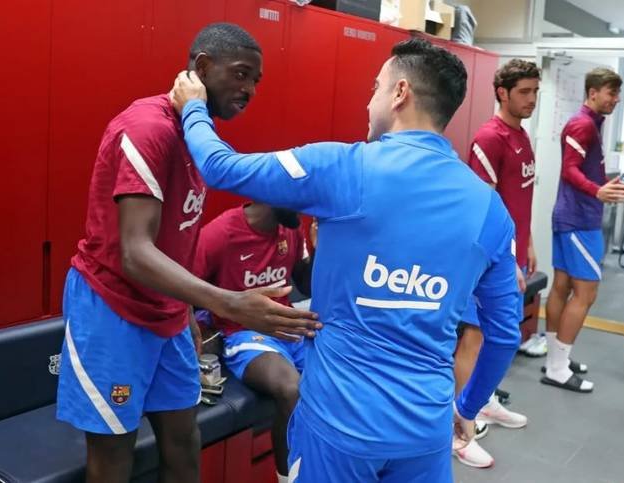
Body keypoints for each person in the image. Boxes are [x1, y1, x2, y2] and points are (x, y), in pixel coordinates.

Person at [172, 37, 522, 483]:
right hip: (426, 432)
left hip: (339, 429)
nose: (368, 102)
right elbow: (503, 334)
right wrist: (467, 407)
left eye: (376, 87)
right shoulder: (490, 209)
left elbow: (220, 167)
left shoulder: (340, 167)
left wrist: (193, 106)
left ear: (400, 93)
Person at [55, 23, 319, 483]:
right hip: (112, 310)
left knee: (183, 443)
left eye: (256, 80)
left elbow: (181, 232)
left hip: (168, 314)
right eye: (241, 74)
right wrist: (227, 303)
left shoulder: (199, 135)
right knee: (114, 459)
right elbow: (136, 252)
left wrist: (184, 312)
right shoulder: (147, 128)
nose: (250, 90)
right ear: (203, 67)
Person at [453, 58, 541, 468]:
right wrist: (506, 259)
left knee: (496, 337)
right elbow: (482, 207)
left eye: (535, 91)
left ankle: (482, 401)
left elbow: (519, 199)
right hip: (492, 260)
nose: (532, 99)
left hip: (513, 254)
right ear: (502, 93)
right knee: (474, 336)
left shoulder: (521, 135)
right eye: (524, 91)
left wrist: (529, 244)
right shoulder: (490, 138)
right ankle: (458, 423)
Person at [542, 67, 624, 393]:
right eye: (611, 93)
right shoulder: (582, 124)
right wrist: (596, 191)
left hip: (572, 217)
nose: (616, 99)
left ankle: (556, 358)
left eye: (618, 94)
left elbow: (589, 173)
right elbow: (570, 170)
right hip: (579, 221)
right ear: (593, 93)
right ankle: (557, 368)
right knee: (586, 293)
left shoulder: (592, 124)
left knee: (562, 287)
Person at [195, 202, 314, 483]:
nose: (302, 206)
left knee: (343, 372)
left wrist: (320, 250)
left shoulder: (291, 228)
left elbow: (306, 285)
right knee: (291, 389)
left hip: (288, 326)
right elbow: (185, 289)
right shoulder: (221, 233)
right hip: (243, 332)